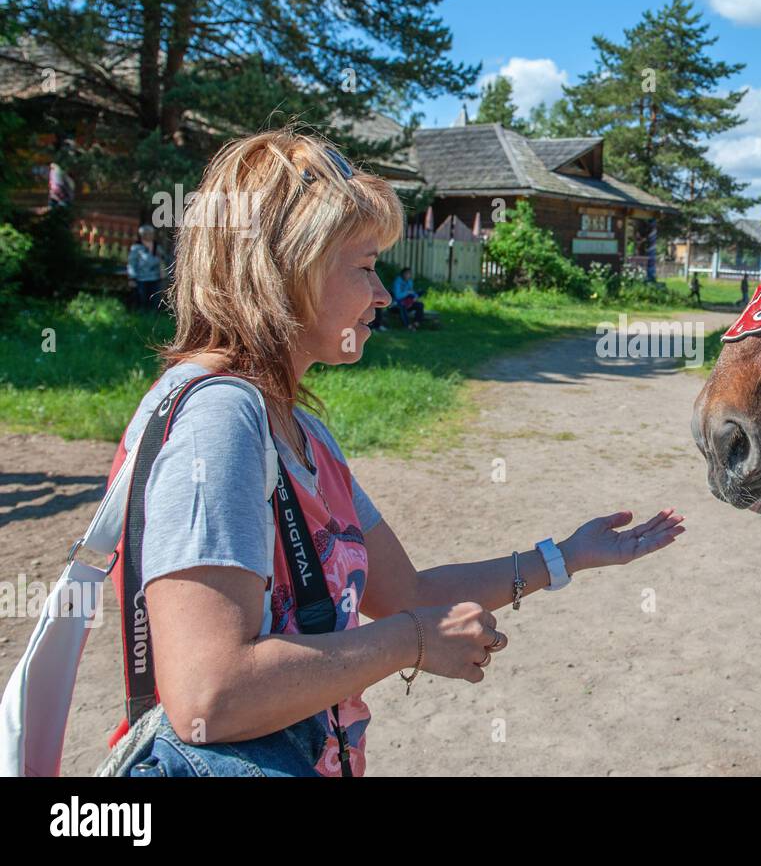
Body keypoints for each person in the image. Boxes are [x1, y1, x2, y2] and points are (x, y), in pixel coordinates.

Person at [111, 128, 686, 777]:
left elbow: (408, 590)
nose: (383, 293)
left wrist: (568, 557)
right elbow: (210, 697)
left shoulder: (299, 431)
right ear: (286, 265)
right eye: (363, 264)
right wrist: (409, 642)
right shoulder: (221, 419)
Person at [127, 225, 164, 312]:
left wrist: (161, 256)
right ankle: (141, 317)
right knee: (142, 300)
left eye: (152, 233)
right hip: (141, 279)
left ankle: (152, 318)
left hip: (155, 278)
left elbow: (163, 259)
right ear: (142, 235)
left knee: (155, 300)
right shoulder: (136, 248)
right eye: (148, 233)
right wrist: (132, 278)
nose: (151, 235)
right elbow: (132, 263)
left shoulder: (156, 247)